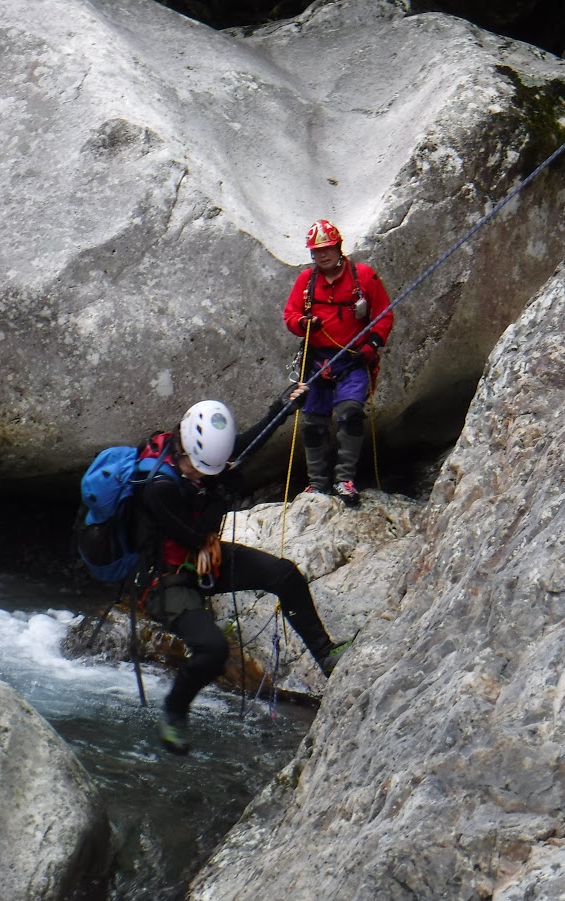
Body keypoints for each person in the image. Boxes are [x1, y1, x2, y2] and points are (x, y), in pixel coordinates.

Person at [134, 386, 354, 755]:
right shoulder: (158, 487)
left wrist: (283, 408)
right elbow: (191, 534)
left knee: (285, 574)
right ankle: (174, 711)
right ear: (183, 450)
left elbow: (245, 444)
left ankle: (326, 654)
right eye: (198, 470)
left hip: (206, 559)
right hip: (167, 578)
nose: (202, 475)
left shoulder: (202, 451)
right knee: (212, 652)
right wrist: (223, 494)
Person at [282, 219, 394, 506]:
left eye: (327, 249)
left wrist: (373, 344)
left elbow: (384, 314)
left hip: (352, 359)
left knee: (351, 412)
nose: (323, 255)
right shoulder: (305, 282)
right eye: (317, 251)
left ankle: (345, 478)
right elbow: (290, 315)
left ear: (338, 247)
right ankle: (317, 483)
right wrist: (305, 323)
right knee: (313, 422)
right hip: (317, 361)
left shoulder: (364, 277)